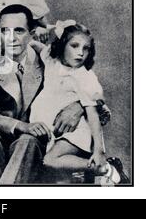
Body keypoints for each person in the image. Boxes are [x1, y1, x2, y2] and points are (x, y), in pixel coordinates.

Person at [0, 5, 107, 184]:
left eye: (19, 31)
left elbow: (93, 96)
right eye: (4, 31)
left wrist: (79, 106)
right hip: (3, 134)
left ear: (32, 33)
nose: (11, 38)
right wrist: (21, 125)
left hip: (39, 140)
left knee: (27, 140)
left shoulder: (49, 60)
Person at [29, 21, 128, 185]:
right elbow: (32, 43)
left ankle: (105, 167)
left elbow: (93, 114)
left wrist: (99, 150)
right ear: (62, 46)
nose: (80, 53)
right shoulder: (52, 61)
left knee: (50, 160)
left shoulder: (84, 77)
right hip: (56, 130)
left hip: (76, 130)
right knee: (56, 171)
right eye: (74, 46)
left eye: (86, 48)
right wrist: (46, 30)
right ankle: (98, 171)